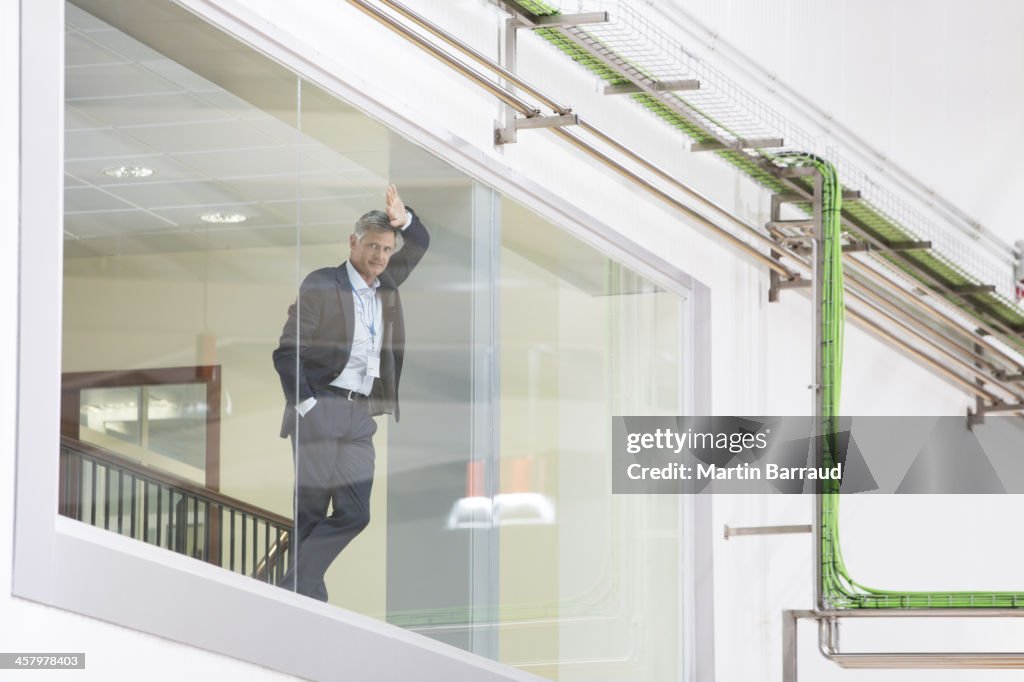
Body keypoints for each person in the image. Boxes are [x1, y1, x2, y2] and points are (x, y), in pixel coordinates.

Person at [272, 184, 429, 601]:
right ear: (353, 242)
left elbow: (421, 241)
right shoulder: (323, 283)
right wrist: (306, 405)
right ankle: (305, 599)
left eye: (387, 249)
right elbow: (289, 352)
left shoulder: (388, 284)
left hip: (360, 415)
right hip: (320, 406)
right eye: (373, 246)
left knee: (356, 513)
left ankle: (293, 588)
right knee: (309, 512)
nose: (380, 257)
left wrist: (404, 219)